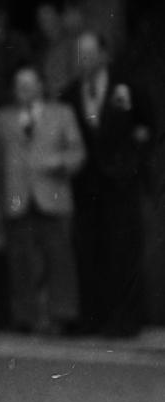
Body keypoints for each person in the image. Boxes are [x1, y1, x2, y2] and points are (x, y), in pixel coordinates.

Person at [64, 31, 155, 338]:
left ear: (104, 55)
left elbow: (150, 125)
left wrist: (133, 158)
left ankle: (126, 321)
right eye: (80, 54)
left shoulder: (126, 86)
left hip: (121, 184)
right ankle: (93, 318)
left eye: (90, 53)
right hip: (85, 186)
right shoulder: (70, 92)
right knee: (89, 251)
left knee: (123, 251)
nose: (85, 60)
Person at [0, 64, 85, 336]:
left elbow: (78, 153)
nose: (25, 91)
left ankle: (62, 316)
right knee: (20, 261)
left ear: (40, 86)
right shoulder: (1, 119)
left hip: (52, 196)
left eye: (29, 85)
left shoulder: (62, 114)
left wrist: (59, 162)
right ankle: (25, 317)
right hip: (16, 198)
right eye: (20, 86)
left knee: (60, 260)